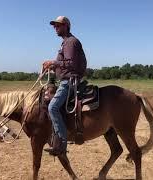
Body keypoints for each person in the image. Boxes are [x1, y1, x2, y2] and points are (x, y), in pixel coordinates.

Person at [43, 16, 87, 156]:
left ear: (66, 26)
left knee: (53, 107)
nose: (55, 28)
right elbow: (63, 65)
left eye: (58, 25)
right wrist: (50, 68)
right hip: (65, 80)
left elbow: (70, 63)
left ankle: (61, 143)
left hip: (69, 82)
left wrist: (53, 63)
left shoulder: (70, 42)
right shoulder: (65, 42)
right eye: (54, 26)